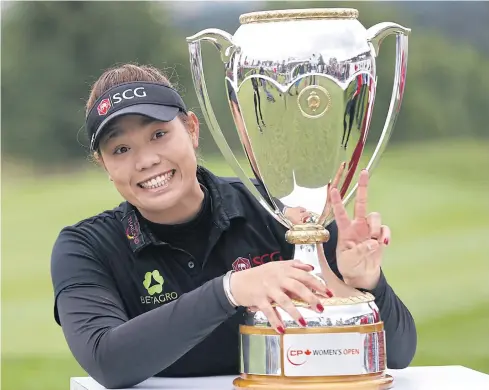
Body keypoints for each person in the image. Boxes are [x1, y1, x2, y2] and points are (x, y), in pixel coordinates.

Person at [50, 64, 417, 389]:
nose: (146, 160)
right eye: (121, 150)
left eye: (159, 134)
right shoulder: (86, 247)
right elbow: (107, 361)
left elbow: (398, 354)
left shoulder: (279, 210)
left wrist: (365, 285)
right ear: (104, 165)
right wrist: (232, 289)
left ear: (192, 130)